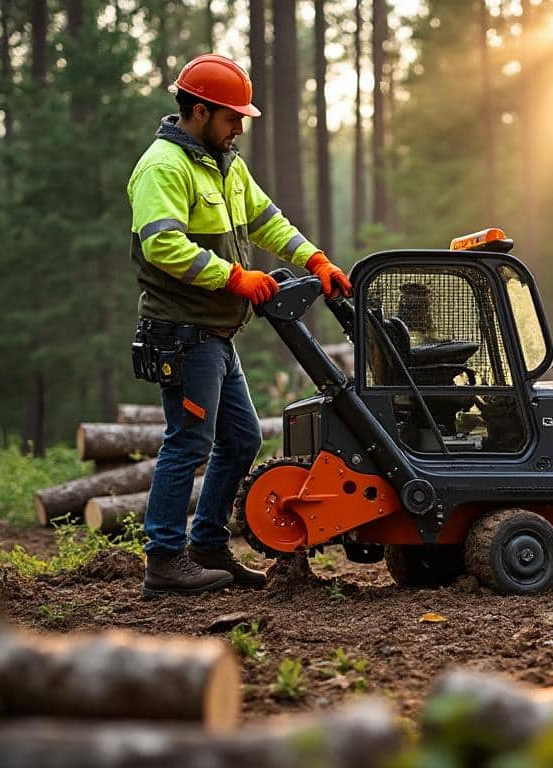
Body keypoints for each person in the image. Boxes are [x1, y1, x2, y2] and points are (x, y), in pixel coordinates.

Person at [127, 53, 352, 598]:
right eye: (233, 118)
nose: (240, 127)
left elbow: (267, 220)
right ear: (200, 112)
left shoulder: (224, 163)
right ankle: (163, 559)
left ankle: (206, 546)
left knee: (243, 437)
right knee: (188, 442)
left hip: (215, 334)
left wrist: (315, 260)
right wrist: (234, 277)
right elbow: (161, 244)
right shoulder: (164, 166)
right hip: (182, 331)